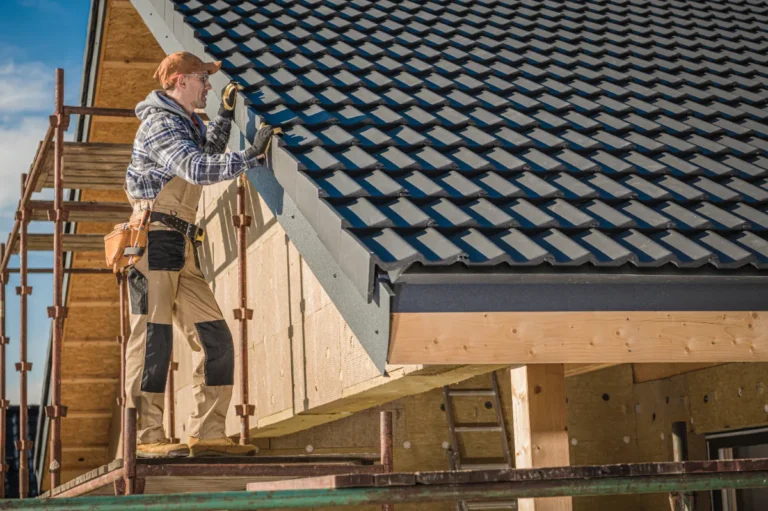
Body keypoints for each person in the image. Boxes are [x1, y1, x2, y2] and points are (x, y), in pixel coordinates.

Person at [123, 51, 273, 458]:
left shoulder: (183, 122)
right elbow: (195, 168)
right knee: (153, 340)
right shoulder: (158, 124)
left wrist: (224, 118)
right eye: (202, 79)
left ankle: (207, 434)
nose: (208, 86)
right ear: (178, 81)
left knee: (216, 338)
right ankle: (144, 437)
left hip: (181, 242)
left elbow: (205, 152)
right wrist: (251, 157)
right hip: (154, 239)